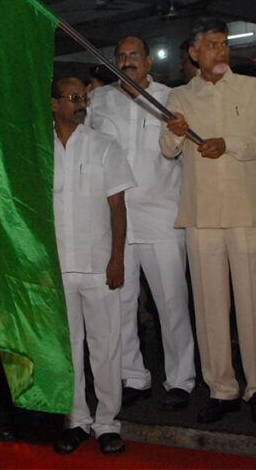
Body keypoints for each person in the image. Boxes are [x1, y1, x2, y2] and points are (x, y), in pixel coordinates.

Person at [161, 18, 256, 425]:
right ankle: (222, 388)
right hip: (202, 215)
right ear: (194, 53)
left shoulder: (252, 89)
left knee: (254, 303)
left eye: (224, 44)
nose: (220, 51)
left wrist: (229, 145)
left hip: (248, 211)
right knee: (210, 306)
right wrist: (176, 132)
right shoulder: (179, 96)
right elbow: (167, 149)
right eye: (211, 45)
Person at [86, 37, 195, 412]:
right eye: (120, 56)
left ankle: (181, 379)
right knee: (120, 300)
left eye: (134, 55)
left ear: (149, 61)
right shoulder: (100, 100)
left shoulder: (172, 98)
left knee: (171, 302)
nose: (127, 61)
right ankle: (133, 375)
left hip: (162, 214)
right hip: (116, 217)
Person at [51, 76, 135, 457]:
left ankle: (107, 423)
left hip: (100, 266)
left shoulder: (104, 145)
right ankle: (77, 420)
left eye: (83, 97)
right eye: (72, 98)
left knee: (106, 346)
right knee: (69, 349)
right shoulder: (40, 150)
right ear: (54, 105)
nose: (80, 103)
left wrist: (116, 258)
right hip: (59, 266)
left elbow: (118, 208)